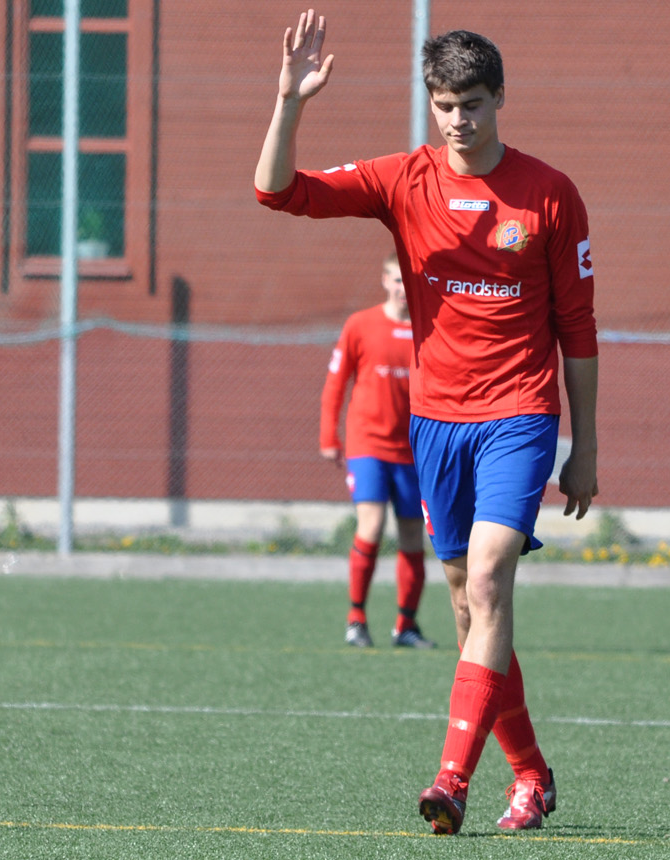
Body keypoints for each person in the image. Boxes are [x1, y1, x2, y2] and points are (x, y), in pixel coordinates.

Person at [254, 11, 599, 834]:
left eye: (472, 103)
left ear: (499, 98)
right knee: (468, 608)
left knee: (489, 579)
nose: (458, 120)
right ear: (430, 102)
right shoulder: (402, 180)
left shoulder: (550, 194)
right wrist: (289, 101)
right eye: (445, 105)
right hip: (437, 422)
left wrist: (584, 445)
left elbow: (578, 327)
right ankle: (531, 775)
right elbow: (277, 191)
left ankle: (452, 780)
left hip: (519, 414)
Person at [320, 252, 435, 650]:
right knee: (370, 526)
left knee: (413, 536)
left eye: (409, 281)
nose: (403, 288)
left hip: (413, 452)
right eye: (397, 280)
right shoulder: (360, 324)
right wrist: (328, 438)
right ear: (385, 281)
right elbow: (336, 383)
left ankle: (406, 626)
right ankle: (356, 620)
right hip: (367, 444)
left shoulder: (429, 327)